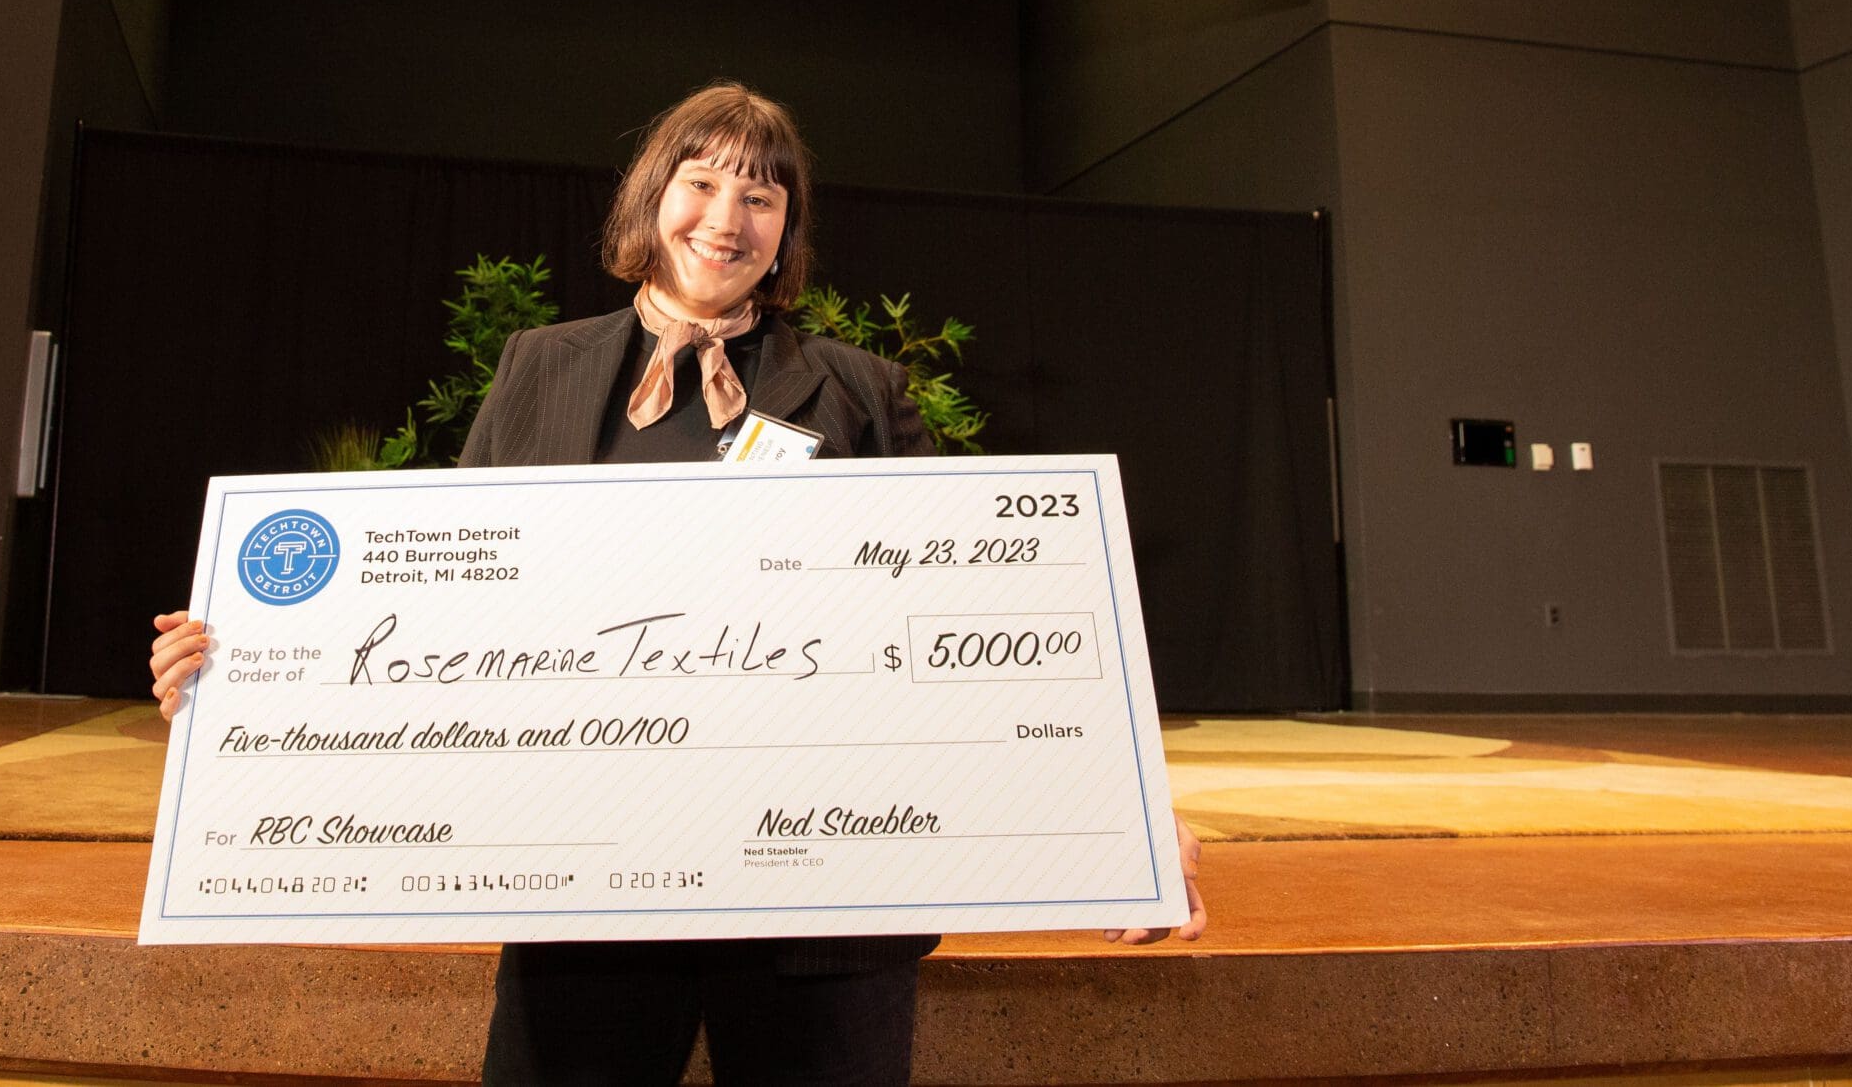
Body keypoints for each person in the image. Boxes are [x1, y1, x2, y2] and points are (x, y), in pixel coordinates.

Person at [148, 83, 1206, 1086]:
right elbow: (441, 613)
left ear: (787, 230)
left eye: (760, 194)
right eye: (702, 181)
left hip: (819, 904)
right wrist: (245, 672)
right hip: (588, 896)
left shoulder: (859, 393)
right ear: (653, 199)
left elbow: (968, 616)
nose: (726, 216)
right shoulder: (537, 369)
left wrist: (1125, 807)